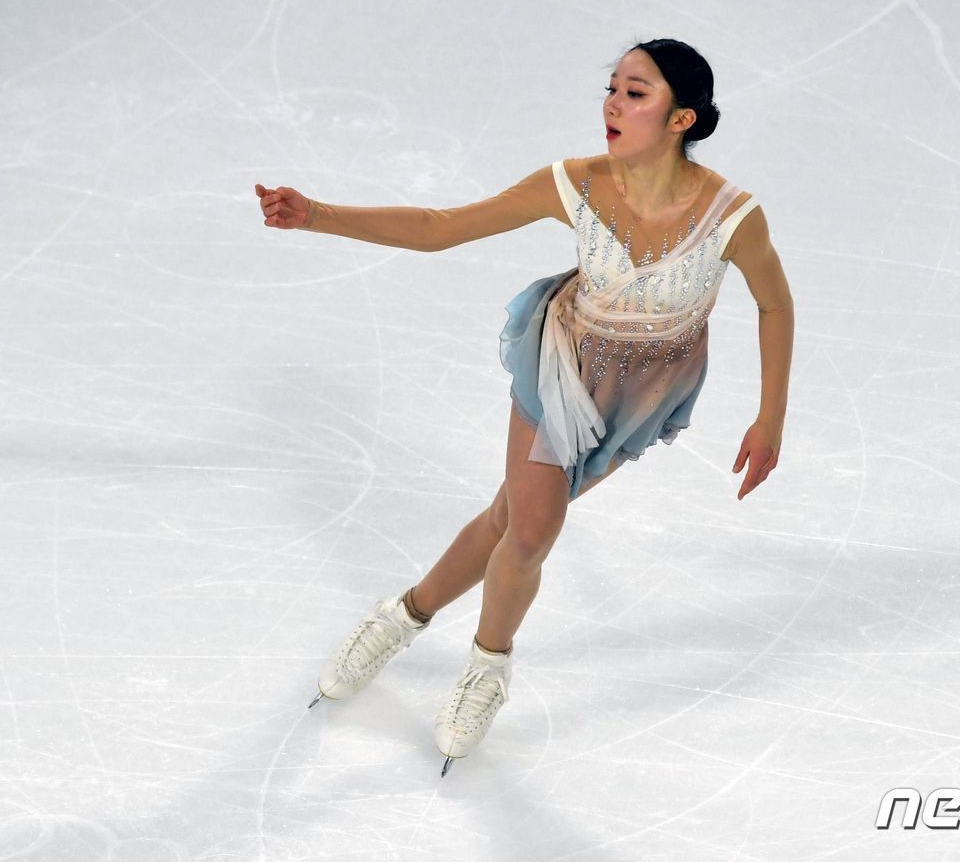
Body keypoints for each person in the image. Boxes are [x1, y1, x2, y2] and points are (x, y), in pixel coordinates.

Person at [256, 38, 794, 776]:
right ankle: (488, 667)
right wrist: (317, 214)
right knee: (533, 531)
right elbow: (443, 228)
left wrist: (771, 418)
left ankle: (401, 615)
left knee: (510, 519)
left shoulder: (731, 214)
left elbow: (774, 303)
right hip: (563, 366)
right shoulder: (573, 183)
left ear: (682, 119)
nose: (612, 102)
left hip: (642, 397)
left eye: (635, 93)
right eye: (611, 87)